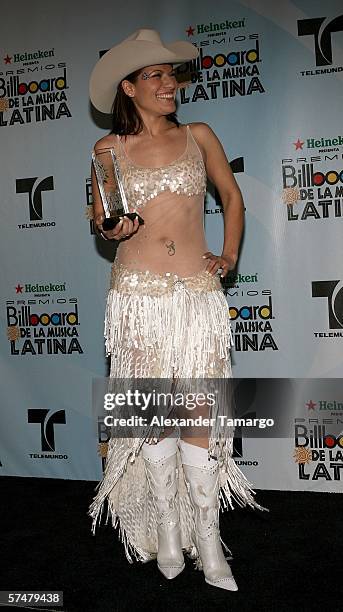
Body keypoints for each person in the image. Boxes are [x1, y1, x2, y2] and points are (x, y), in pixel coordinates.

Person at [88, 29, 262, 591]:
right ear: (129, 87)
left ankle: (209, 539)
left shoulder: (199, 134)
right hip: (137, 296)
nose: (169, 84)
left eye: (172, 74)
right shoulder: (107, 150)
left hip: (196, 294)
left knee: (199, 416)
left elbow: (232, 197)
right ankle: (168, 528)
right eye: (156, 76)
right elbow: (105, 219)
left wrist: (230, 254)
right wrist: (115, 226)